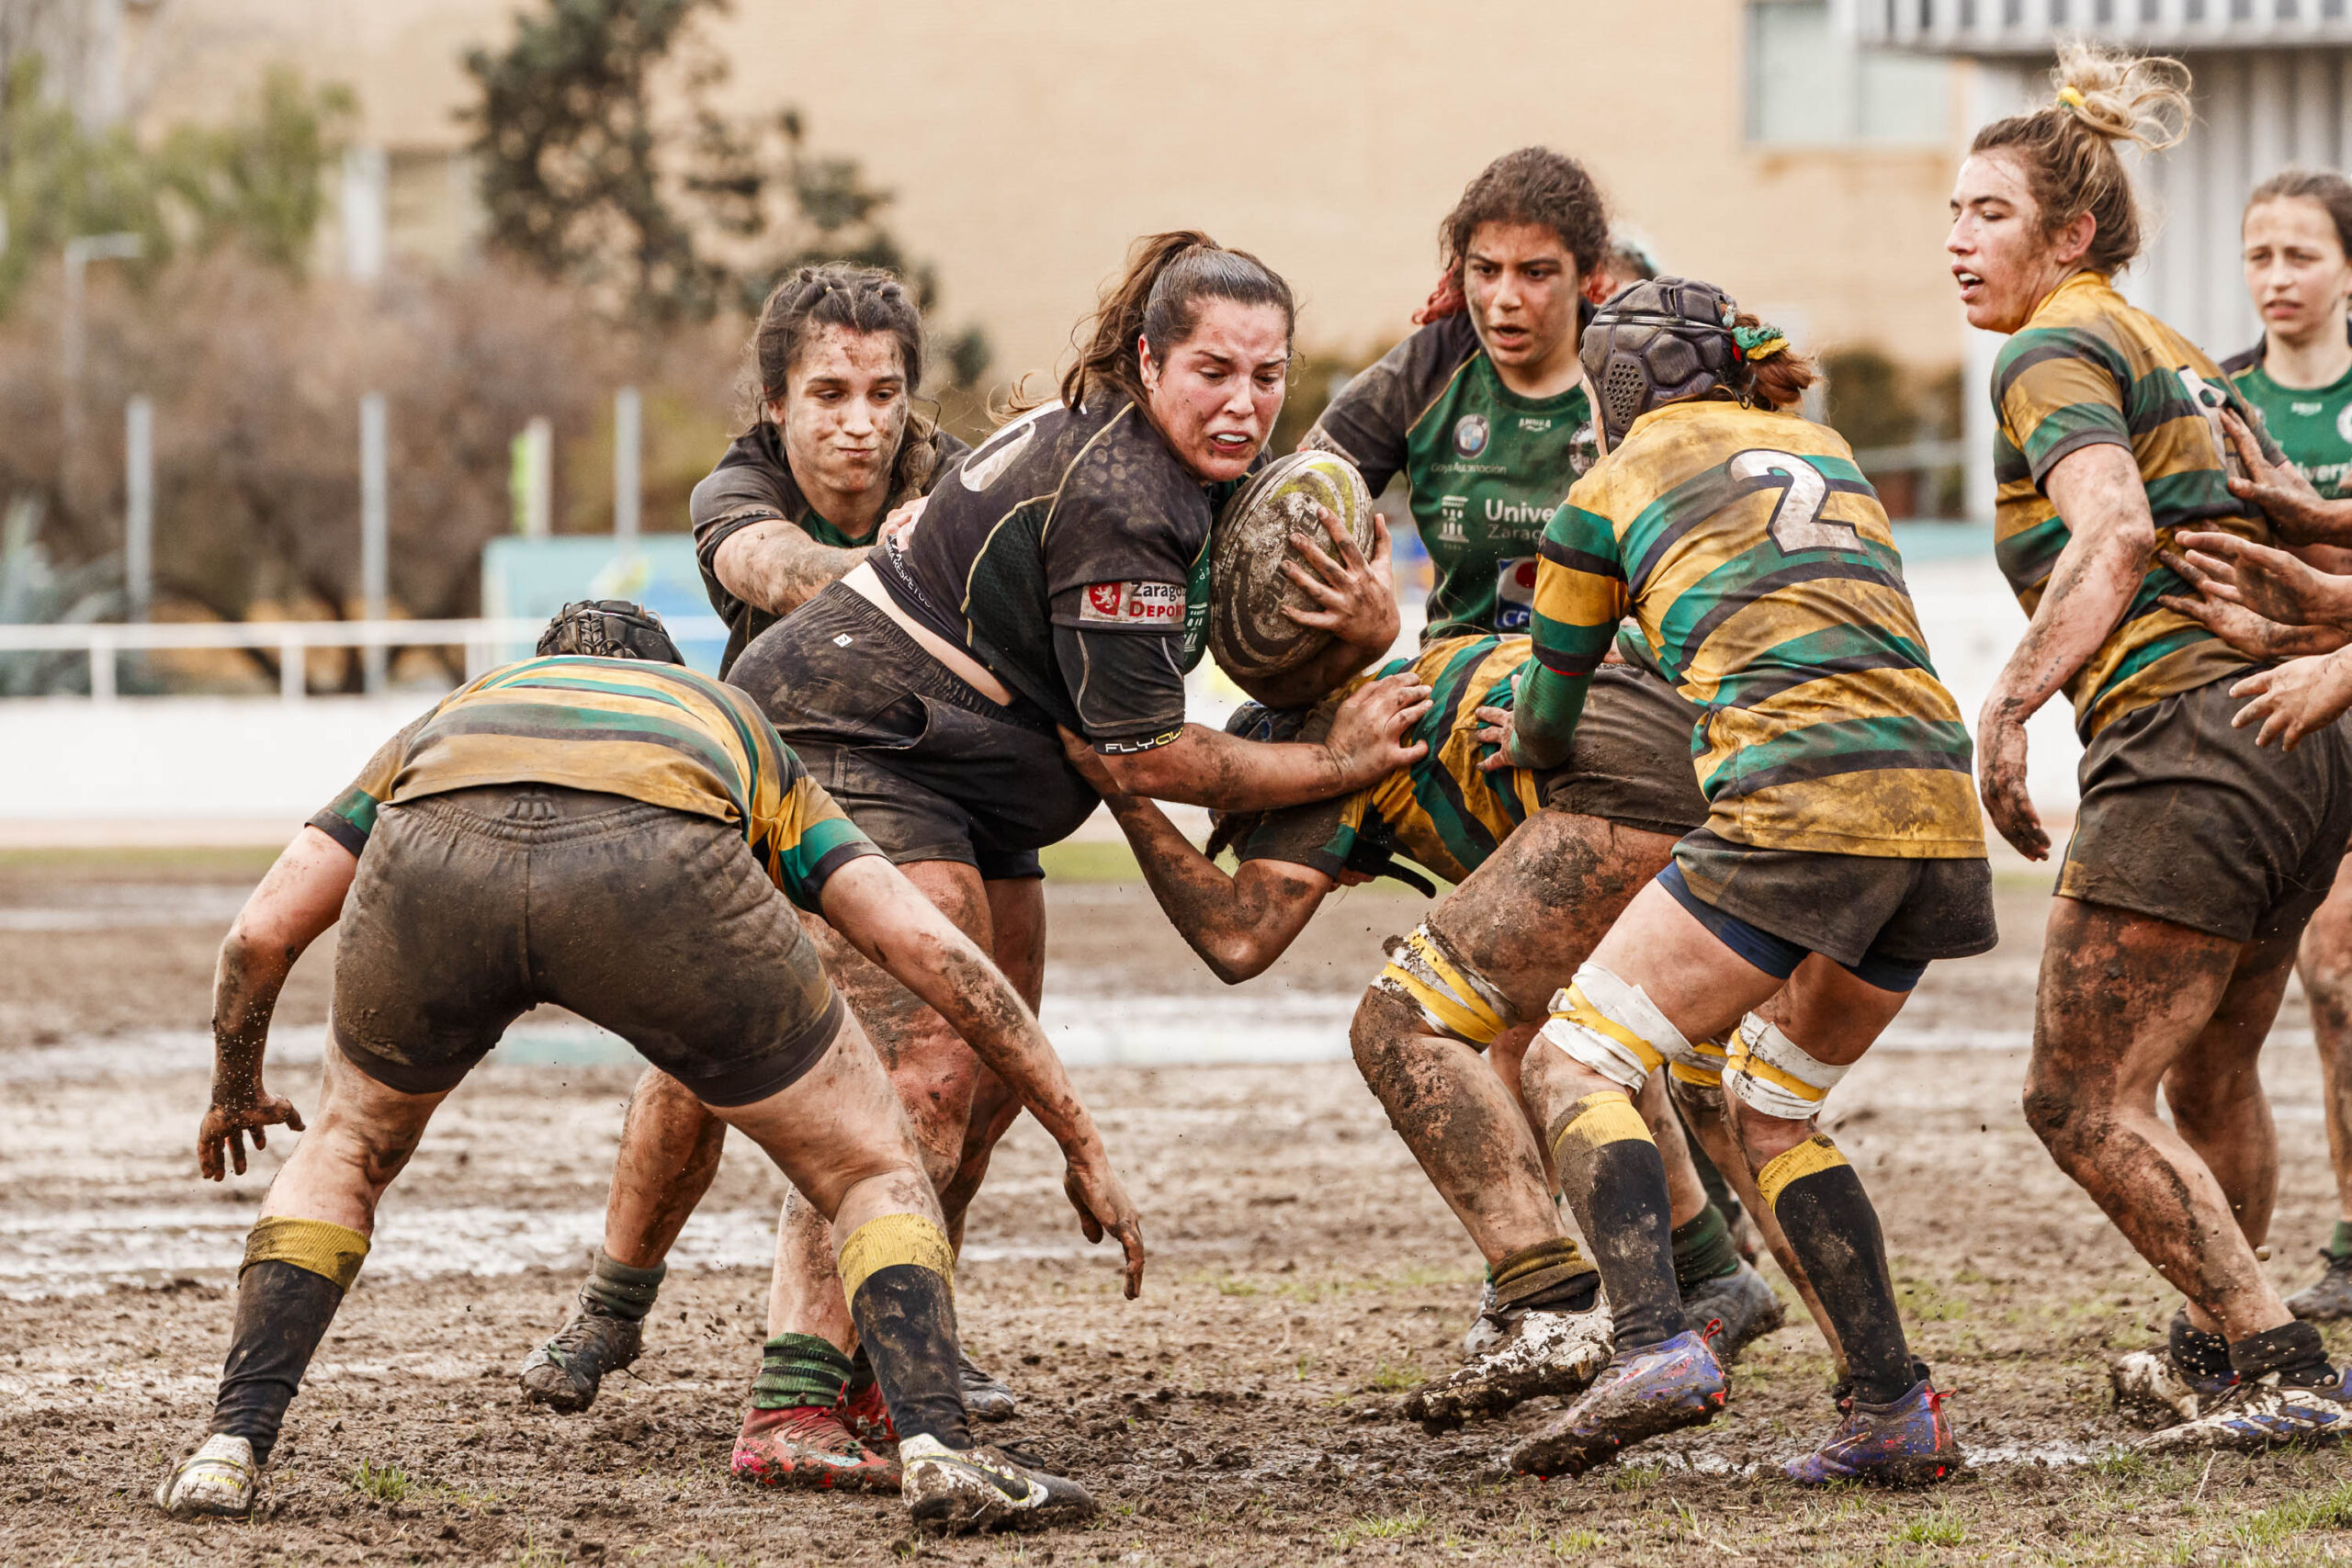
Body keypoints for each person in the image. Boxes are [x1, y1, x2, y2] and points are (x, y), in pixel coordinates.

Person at [526, 234, 1430, 1487]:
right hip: (859, 738)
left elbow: (1223, 638)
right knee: (906, 1074)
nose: (1245, 401)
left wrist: (1368, 625)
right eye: (1214, 368)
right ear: (1147, 359)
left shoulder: (1168, 460)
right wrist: (1336, 762)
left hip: (983, 765)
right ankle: (777, 1394)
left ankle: (896, 1358)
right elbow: (1154, 754)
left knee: (985, 1082)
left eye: (1269, 375)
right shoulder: (1112, 493)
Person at [153, 603, 1143, 1533]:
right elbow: (929, 950)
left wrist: (234, 1083)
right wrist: (1078, 1133)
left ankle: (227, 1447)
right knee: (871, 1169)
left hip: (437, 860)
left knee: (349, 1147)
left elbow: (259, 935)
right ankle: (940, 1447)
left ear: (544, 666)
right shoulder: (721, 717)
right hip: (659, 870)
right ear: (669, 678)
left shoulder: (454, 715)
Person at [1479, 277, 1995, 1483]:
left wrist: (1525, 736)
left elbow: (1551, 717)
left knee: (1574, 1056)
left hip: (1796, 804)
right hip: (1930, 806)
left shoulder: (1602, 492)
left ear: (1611, 390)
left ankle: (1655, 1339)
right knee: (1769, 1107)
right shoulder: (1829, 449)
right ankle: (1892, 1408)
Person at [1073, 635, 1816, 1437]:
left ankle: (1549, 1302)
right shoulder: (1429, 658)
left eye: (1248, 834)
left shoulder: (1329, 750)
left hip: (1627, 801)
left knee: (1399, 1024)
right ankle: (1844, 1354)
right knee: (1681, 1078)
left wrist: (1124, 795)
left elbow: (1240, 938)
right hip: (1757, 787)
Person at [1299, 147, 1769, 1360]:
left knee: (1533, 1023)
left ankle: (1607, 1277)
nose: (1505, 300)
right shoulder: (1429, 365)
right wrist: (1335, 594)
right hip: (1470, 736)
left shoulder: (1634, 372)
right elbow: (1306, 492)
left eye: (1536, 273)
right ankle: (1651, 1273)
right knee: (1532, 1020)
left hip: (1605, 733)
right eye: (1482, 271)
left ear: (1593, 276)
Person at [1951, 43, 2352, 1452]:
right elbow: (2297, 520)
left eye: (1988, 213)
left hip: (2189, 741)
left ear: (2069, 234)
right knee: (2208, 1074)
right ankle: (2217, 1343)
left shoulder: (2051, 344)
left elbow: (2114, 528)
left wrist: (2006, 704)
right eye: (1951, 212)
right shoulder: (2177, 347)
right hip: (2301, 744)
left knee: (2076, 1094)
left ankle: (2278, 1359)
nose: (1956, 239)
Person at [2222, 170, 2352, 1324]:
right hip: (2285, 727)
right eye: (2258, 255)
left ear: (2348, 271)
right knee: (2330, 982)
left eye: (2300, 255)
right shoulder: (2220, 404)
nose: (2276, 279)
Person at [694, 265, 969, 677]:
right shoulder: (738, 487)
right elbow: (779, 576)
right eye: (830, 394)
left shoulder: (960, 480)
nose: (859, 425)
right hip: (783, 725)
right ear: (776, 402)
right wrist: (914, 556)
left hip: (936, 725)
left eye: (882, 394)